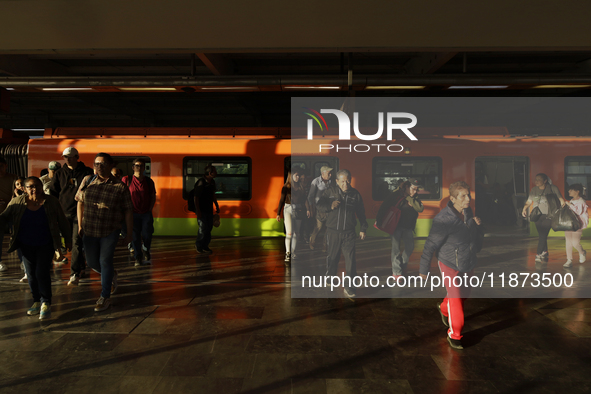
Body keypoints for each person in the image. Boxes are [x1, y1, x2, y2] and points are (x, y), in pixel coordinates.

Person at [419, 181, 483, 350]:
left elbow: (471, 235)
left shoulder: (468, 212)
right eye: (464, 196)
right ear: (453, 198)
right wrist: (423, 268)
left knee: (464, 294)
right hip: (448, 263)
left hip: (467, 261)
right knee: (456, 298)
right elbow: (430, 244)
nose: (468, 198)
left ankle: (443, 308)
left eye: (468, 194)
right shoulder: (444, 219)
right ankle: (455, 335)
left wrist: (477, 226)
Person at [0, 177, 72, 320]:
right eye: (31, 187)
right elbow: (3, 218)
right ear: (24, 189)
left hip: (46, 243)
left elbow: (62, 222)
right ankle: (36, 300)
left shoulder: (51, 202)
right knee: (31, 275)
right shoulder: (16, 203)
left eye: (38, 186)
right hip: (25, 245)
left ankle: (46, 301)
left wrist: (68, 240)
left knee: (41, 272)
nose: (35, 189)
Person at [76, 153, 133, 312]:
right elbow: (80, 203)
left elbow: (128, 211)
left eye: (102, 163)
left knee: (105, 261)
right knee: (93, 263)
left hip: (110, 230)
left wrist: (129, 234)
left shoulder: (120, 187)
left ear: (110, 165)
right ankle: (111, 274)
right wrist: (80, 225)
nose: (98, 166)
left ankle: (104, 296)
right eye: (96, 163)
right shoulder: (87, 180)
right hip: (90, 229)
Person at [316, 169, 367, 299]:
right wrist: (330, 205)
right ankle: (330, 276)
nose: (346, 183)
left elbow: (361, 212)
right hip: (333, 232)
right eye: (343, 181)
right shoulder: (330, 192)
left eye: (348, 180)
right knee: (333, 257)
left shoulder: (355, 194)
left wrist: (363, 228)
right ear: (337, 181)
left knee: (350, 260)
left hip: (349, 233)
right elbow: (319, 205)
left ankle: (349, 287)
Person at [49, 147, 94, 285]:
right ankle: (81, 266)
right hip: (63, 213)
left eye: (70, 156)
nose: (67, 159)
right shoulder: (59, 173)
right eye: (65, 157)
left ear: (77, 156)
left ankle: (74, 273)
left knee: (76, 242)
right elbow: (53, 192)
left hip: (80, 212)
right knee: (67, 242)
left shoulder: (87, 172)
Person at [376, 178, 424, 278]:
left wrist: (411, 198)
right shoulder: (396, 195)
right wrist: (379, 220)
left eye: (416, 190)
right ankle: (397, 272)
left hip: (408, 226)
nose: (414, 192)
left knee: (410, 248)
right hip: (395, 226)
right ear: (407, 187)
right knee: (396, 249)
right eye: (413, 189)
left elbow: (420, 208)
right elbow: (384, 206)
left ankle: (402, 266)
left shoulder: (414, 197)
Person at [521, 173, 565, 262]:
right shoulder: (534, 190)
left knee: (543, 235)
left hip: (549, 215)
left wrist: (562, 210)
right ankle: (545, 251)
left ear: (545, 181)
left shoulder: (553, 188)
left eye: (538, 179)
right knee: (542, 234)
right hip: (537, 215)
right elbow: (529, 201)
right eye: (535, 179)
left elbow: (561, 199)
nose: (536, 181)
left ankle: (538, 254)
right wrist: (524, 209)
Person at [122, 158, 156, 266]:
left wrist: (150, 208)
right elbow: (121, 194)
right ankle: (138, 257)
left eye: (141, 166)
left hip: (146, 213)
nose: (139, 168)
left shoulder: (149, 181)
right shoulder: (127, 179)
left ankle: (146, 248)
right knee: (135, 236)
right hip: (132, 214)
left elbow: (152, 196)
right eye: (137, 165)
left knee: (147, 234)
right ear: (133, 167)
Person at [276, 167, 309, 262]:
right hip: (288, 209)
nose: (298, 177)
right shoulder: (286, 187)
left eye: (298, 175)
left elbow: (304, 199)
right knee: (289, 233)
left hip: (299, 209)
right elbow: (281, 200)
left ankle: (293, 252)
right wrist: (278, 213)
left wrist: (307, 209)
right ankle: (287, 253)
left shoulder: (301, 187)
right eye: (296, 175)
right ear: (291, 176)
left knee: (296, 233)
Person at [193, 165, 220, 254]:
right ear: (210, 173)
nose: (216, 173)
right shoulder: (201, 182)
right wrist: (198, 210)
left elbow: (213, 194)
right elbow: (196, 197)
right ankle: (199, 245)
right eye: (215, 171)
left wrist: (216, 205)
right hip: (202, 210)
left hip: (209, 209)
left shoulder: (212, 182)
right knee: (203, 228)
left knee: (209, 228)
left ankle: (205, 246)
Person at [307, 166, 333, 250]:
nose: (330, 175)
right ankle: (312, 242)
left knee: (328, 227)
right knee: (319, 227)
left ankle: (325, 246)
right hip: (319, 208)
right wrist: (311, 209)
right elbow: (310, 196)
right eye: (329, 173)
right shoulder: (316, 181)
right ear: (323, 173)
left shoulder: (331, 182)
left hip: (329, 207)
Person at [563, 184, 588, 268]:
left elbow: (578, 212)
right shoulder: (571, 200)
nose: (569, 191)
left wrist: (569, 205)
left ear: (577, 191)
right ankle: (569, 260)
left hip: (578, 224)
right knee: (568, 242)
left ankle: (582, 252)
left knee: (575, 242)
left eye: (571, 190)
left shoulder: (581, 201)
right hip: (569, 223)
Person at [0, 157, 17, 272]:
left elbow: (16, 193)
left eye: (1, 166)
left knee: (18, 236)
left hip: (12, 212)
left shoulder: (13, 178)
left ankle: (23, 261)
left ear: (6, 166)